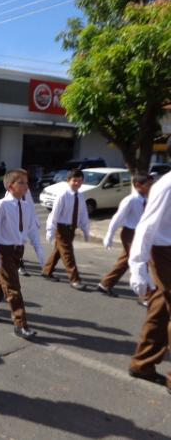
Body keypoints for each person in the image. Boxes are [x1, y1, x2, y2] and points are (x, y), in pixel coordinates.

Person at [127, 138, 171, 391]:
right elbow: (146, 226)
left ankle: (142, 363)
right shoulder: (166, 185)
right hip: (164, 251)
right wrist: (138, 269)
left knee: (161, 307)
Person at [0, 169, 45, 339]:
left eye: (26, 182)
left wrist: (39, 250)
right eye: (21, 182)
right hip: (4, 250)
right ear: (10, 186)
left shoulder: (26, 206)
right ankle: (20, 324)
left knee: (4, 283)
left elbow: (31, 229)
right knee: (13, 288)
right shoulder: (1, 205)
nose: (26, 186)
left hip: (18, 250)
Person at [98, 173, 154, 298]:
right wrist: (109, 234)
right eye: (149, 185)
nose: (151, 187)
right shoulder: (130, 200)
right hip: (130, 234)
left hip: (141, 234)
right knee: (140, 261)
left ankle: (105, 284)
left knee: (125, 261)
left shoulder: (148, 200)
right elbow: (117, 218)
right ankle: (146, 295)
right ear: (138, 185)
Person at [42, 169, 90, 291]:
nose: (77, 183)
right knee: (68, 254)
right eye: (74, 180)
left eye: (80, 181)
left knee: (59, 251)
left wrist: (85, 229)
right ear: (68, 181)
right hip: (61, 228)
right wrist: (50, 229)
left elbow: (83, 214)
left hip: (71, 228)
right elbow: (55, 214)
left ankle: (47, 271)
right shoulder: (63, 195)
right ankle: (75, 279)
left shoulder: (80, 196)